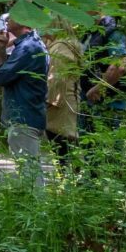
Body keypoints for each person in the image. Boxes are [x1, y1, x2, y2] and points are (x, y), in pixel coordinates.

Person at [0, 10, 48, 187]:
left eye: (15, 13)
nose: (8, 18)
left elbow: (1, 77)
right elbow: (2, 74)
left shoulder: (28, 48)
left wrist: (2, 51)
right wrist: (1, 49)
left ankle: (37, 210)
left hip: (25, 117)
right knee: (27, 168)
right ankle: (33, 208)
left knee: (29, 171)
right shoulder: (26, 46)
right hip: (26, 115)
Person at [79, 13, 126, 131]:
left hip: (107, 103)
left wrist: (98, 88)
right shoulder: (90, 32)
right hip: (88, 99)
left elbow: (119, 66)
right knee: (86, 145)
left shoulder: (113, 31)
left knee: (107, 145)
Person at [43, 18, 84, 160]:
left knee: (63, 147)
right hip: (67, 102)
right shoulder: (62, 45)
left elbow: (56, 80)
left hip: (60, 106)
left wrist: (48, 102)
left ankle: (72, 180)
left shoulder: (60, 48)